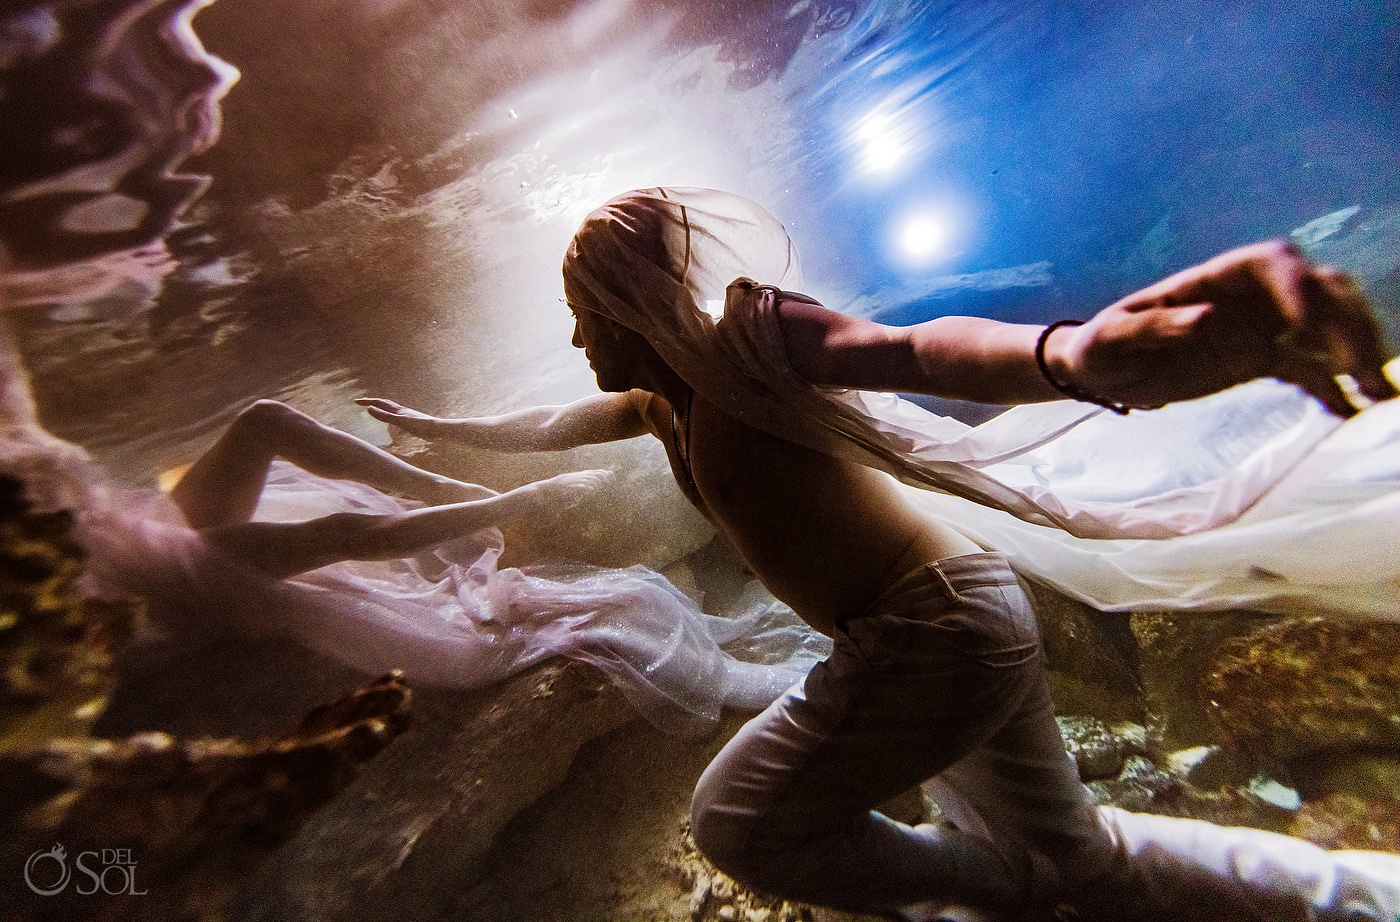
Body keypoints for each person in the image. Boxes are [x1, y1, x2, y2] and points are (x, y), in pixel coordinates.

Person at [361, 187, 1400, 921]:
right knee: (1080, 847)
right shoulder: (655, 403)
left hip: (931, 630)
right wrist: (437, 426)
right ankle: (1363, 898)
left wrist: (1067, 355)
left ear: (634, 303)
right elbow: (554, 421)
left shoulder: (748, 345)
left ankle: (1015, 891)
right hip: (953, 624)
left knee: (736, 821)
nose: (582, 343)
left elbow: (913, 348)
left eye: (588, 318)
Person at [80, 398, 814, 722]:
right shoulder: (202, 566)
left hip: (109, 546)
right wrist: (524, 499)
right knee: (336, 529)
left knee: (265, 421)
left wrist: (432, 454)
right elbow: (352, 537)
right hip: (137, 599)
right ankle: (471, 495)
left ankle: (433, 482)